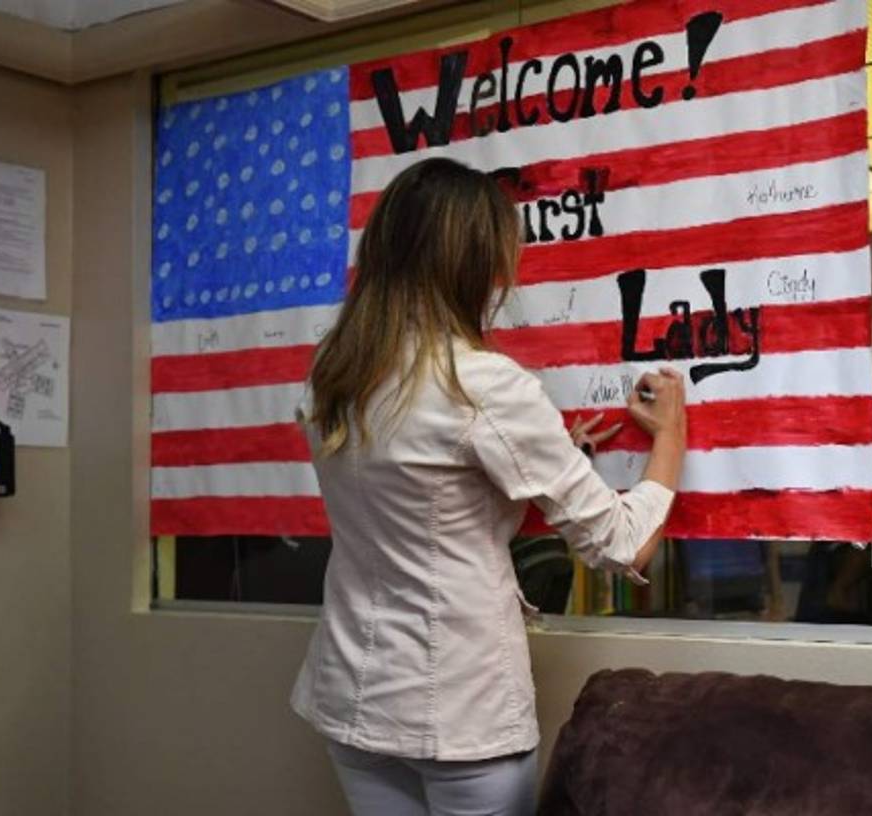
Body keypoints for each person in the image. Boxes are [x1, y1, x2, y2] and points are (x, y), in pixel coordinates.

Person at [290, 157, 686, 815]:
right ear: (475, 266)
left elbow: (416, 488)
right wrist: (669, 438)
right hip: (458, 710)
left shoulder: (333, 376)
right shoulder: (484, 384)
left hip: (352, 692)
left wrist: (555, 457)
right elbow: (623, 546)